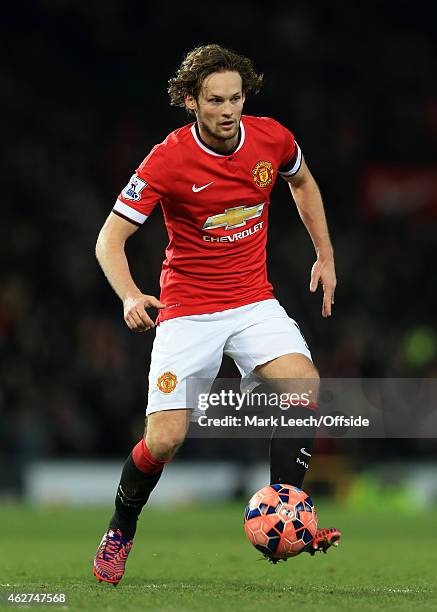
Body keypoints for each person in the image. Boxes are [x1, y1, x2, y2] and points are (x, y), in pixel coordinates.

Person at [93, 44, 340, 585]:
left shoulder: (272, 138)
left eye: (235, 98)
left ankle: (287, 514)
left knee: (304, 385)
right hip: (186, 310)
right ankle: (120, 528)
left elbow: (300, 181)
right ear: (191, 102)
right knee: (164, 441)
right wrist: (132, 296)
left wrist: (324, 252)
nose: (228, 110)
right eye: (215, 100)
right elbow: (110, 239)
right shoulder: (168, 159)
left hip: (253, 300)